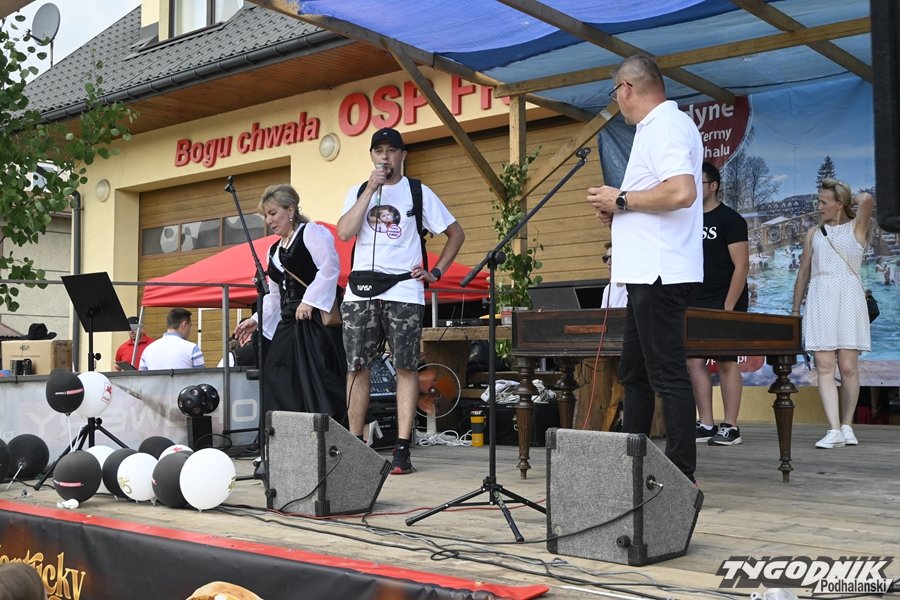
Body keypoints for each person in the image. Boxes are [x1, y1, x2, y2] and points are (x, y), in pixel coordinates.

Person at [586, 54, 704, 483]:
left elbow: (681, 192)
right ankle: (632, 466)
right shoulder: (656, 127)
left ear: (626, 88)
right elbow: (658, 198)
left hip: (659, 272)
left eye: (615, 93)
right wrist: (619, 210)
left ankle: (680, 475)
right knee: (635, 373)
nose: (617, 101)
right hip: (644, 273)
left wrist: (621, 199)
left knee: (667, 373)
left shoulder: (666, 125)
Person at [337, 127, 465, 475]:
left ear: (402, 155)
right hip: (361, 291)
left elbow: (456, 233)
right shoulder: (358, 191)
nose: (385, 156)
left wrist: (436, 272)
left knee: (406, 367)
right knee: (356, 366)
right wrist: (370, 190)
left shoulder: (418, 192)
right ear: (371, 156)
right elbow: (345, 232)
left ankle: (403, 448)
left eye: (391, 150)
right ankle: (355, 445)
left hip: (404, 291)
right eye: (378, 150)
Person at [233, 184, 347, 420]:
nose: (269, 221)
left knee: (319, 378)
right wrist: (257, 319)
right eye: (266, 216)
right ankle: (286, 431)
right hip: (288, 320)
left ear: (291, 210)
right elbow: (275, 295)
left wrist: (309, 300)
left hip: (314, 319)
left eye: (273, 213)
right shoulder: (273, 250)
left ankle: (332, 430)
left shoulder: (311, 233)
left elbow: (329, 267)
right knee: (277, 375)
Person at [792, 181, 874, 449]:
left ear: (839, 204)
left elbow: (867, 200)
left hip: (849, 298)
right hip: (820, 297)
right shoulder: (814, 233)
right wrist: (795, 309)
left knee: (848, 367)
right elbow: (804, 272)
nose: (819, 206)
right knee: (824, 366)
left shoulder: (857, 227)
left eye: (824, 201)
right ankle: (834, 428)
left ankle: (847, 426)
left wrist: (850, 196)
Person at [687, 162, 750, 446]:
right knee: (694, 361)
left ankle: (731, 426)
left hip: (725, 298)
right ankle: (706, 423)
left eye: (698, 181)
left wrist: (729, 306)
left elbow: (742, 265)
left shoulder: (731, 220)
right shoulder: (686, 220)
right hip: (694, 299)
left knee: (726, 361)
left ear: (713, 186)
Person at [139, 308, 205, 370]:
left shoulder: (147, 350)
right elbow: (202, 376)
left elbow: (142, 377)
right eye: (190, 326)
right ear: (184, 324)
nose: (190, 330)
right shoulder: (192, 349)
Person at [600, 242, 627, 309]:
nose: (608, 261)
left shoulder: (634, 288)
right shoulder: (608, 289)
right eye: (606, 258)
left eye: (612, 257)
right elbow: (603, 313)